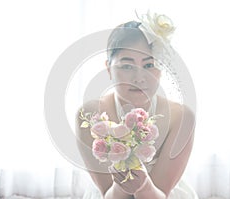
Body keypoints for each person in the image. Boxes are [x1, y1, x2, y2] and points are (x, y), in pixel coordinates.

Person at [75, 12, 196, 199]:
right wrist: (124, 184)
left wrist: (143, 186)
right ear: (108, 68)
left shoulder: (181, 118)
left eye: (149, 66)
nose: (139, 78)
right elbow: (107, 193)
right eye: (127, 66)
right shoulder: (90, 115)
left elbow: (161, 193)